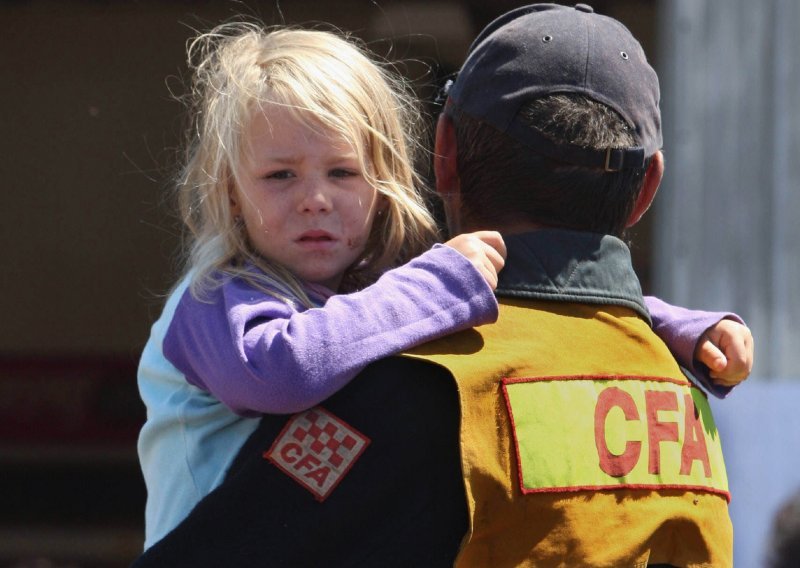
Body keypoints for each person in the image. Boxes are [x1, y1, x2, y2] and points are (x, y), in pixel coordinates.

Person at [133, 8, 754, 566]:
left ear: (436, 159)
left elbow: (567, 288)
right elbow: (278, 368)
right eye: (279, 176)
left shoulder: (413, 340)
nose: (315, 200)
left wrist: (682, 325)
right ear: (228, 194)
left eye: (343, 172)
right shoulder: (221, 294)